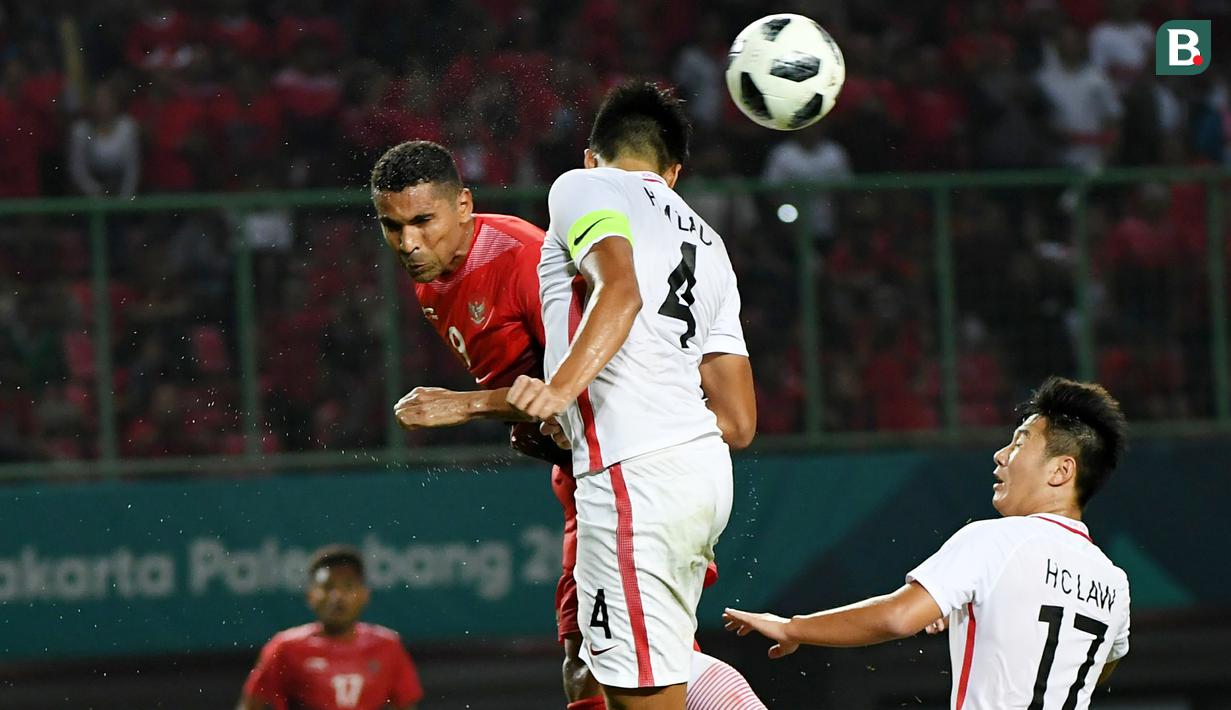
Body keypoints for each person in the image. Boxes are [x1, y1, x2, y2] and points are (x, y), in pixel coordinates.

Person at [370, 140, 764, 709]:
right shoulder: (432, 274)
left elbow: (605, 359)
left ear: (463, 205)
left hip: (621, 472)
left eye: (423, 221)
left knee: (611, 660)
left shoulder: (525, 259)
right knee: (608, 657)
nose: (408, 243)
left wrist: (470, 405)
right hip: (583, 473)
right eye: (393, 226)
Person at [505, 82, 756, 710]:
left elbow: (619, 289)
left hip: (630, 480)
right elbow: (740, 420)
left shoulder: (583, 187)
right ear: (673, 173)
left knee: (635, 693)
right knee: (660, 667)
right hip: (702, 475)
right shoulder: (711, 243)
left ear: (593, 155)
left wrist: (558, 391)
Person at [723, 377, 1131, 710]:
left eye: (1020, 443)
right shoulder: (1114, 584)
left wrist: (794, 627)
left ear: (1061, 471)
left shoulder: (995, 540)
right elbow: (1098, 663)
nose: (1001, 454)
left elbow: (897, 618)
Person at [237, 545, 423, 710]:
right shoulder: (285, 648)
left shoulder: (388, 646)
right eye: (327, 587)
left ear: (364, 595)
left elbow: (406, 706)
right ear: (311, 596)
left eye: (348, 586)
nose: (337, 596)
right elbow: (251, 705)